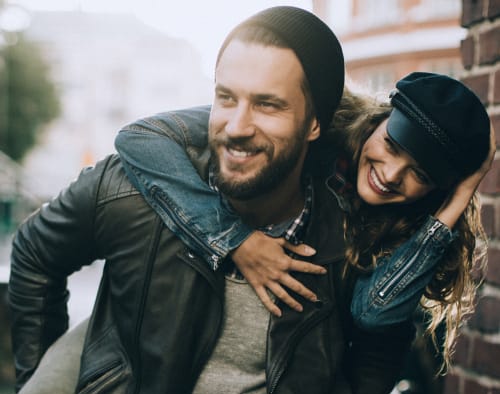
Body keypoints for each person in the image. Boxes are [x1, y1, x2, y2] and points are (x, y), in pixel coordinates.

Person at [0, 6, 410, 394]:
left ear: (315, 123)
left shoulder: (344, 241)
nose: (237, 126)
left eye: (268, 105)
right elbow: (33, 253)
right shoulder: (132, 192)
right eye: (225, 97)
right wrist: (47, 384)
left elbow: (377, 350)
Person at [115, 71, 494, 369]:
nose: (392, 174)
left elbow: (373, 312)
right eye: (392, 146)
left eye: (420, 176)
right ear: (381, 119)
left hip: (300, 365)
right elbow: (141, 138)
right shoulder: (312, 121)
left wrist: (456, 202)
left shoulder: (412, 228)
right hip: (172, 307)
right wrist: (235, 239)